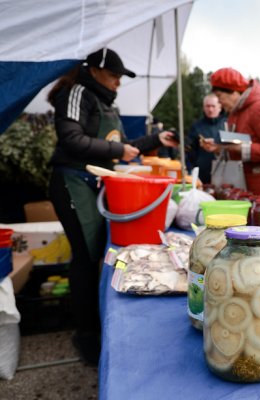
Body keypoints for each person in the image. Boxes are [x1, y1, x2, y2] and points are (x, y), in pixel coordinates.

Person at [47, 48, 177, 365]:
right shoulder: (76, 92)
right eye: (114, 75)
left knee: (93, 253)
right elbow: (71, 139)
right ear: (94, 70)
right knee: (86, 255)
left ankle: (93, 323)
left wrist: (158, 139)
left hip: (93, 185)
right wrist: (120, 148)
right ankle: (86, 333)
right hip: (72, 183)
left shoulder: (105, 102)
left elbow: (125, 149)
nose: (118, 82)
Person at [200, 67, 260, 216]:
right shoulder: (239, 111)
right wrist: (219, 148)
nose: (219, 101)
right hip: (253, 192)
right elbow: (240, 144)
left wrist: (242, 149)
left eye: (219, 96)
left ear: (233, 91)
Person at [185, 93, 227, 184]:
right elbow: (190, 151)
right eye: (207, 106)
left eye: (213, 106)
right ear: (203, 108)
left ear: (220, 107)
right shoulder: (196, 126)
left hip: (225, 172)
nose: (210, 109)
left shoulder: (227, 124)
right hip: (202, 175)